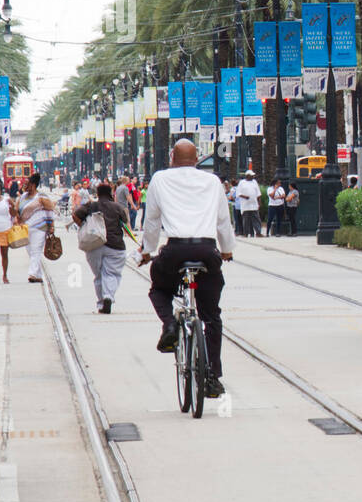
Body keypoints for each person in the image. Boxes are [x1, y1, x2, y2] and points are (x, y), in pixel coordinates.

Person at [139, 140, 236, 398]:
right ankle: (213, 375)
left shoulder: (160, 179)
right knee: (212, 316)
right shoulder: (212, 182)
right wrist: (226, 249)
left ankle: (170, 325)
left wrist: (147, 250)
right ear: (196, 160)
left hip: (175, 250)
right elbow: (223, 220)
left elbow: (152, 220)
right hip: (206, 251)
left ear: (172, 157)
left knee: (159, 289)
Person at [73, 181, 130, 314]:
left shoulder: (92, 206)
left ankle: (101, 304)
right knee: (112, 273)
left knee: (98, 275)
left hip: (94, 244)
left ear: (97, 194)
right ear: (111, 193)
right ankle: (108, 297)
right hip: (115, 245)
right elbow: (125, 222)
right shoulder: (117, 207)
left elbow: (76, 215)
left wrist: (82, 226)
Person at [16, 173, 56, 284]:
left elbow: (50, 212)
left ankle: (32, 274)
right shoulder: (22, 197)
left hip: (40, 227)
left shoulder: (42, 197)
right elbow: (17, 211)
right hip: (25, 228)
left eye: (27, 184)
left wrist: (51, 226)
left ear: (33, 185)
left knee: (36, 250)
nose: (25, 186)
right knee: (30, 251)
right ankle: (38, 275)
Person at [235, 169, 262, 237]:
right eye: (251, 175)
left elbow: (258, 193)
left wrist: (259, 202)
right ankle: (246, 233)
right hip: (245, 205)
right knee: (246, 220)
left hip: (254, 204)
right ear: (247, 176)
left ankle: (258, 232)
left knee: (256, 219)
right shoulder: (242, 183)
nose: (253, 177)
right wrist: (245, 197)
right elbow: (238, 193)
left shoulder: (254, 182)